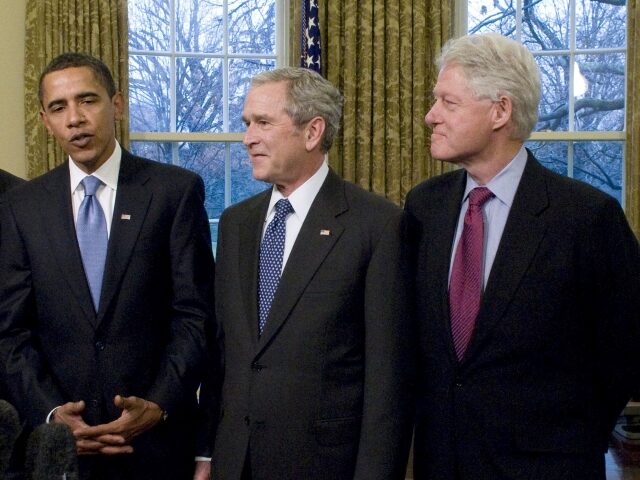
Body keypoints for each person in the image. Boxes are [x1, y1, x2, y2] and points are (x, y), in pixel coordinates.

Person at [405, 32, 640, 479]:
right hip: (442, 463)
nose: (429, 116)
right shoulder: (424, 207)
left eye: (448, 103)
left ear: (500, 111)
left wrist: (569, 440)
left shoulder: (587, 217)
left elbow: (625, 355)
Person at [0, 52, 215, 479]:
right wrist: (51, 412)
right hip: (58, 453)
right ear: (45, 120)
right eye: (59, 108)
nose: (75, 118)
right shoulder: (21, 206)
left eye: (87, 100)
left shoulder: (174, 192)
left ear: (116, 104)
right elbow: (11, 330)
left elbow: (195, 315)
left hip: (154, 446)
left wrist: (158, 403)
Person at [195, 67, 414, 480]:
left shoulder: (377, 226)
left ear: (313, 132)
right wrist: (206, 452)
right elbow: (221, 355)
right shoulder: (235, 224)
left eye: (262, 123)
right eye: (247, 124)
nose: (248, 139)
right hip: (234, 461)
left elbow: (388, 382)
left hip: (324, 464)